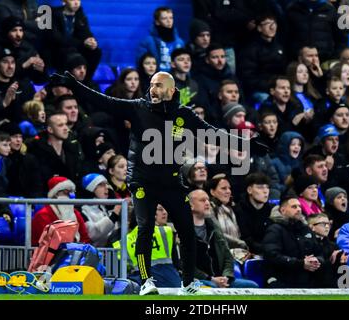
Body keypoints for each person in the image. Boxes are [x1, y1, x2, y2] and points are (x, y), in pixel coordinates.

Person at [52, 70, 258, 295]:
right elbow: (102, 100)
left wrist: (246, 145)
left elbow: (213, 133)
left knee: (188, 232)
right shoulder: (137, 108)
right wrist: (75, 85)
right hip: (142, 182)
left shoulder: (183, 115)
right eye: (151, 84)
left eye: (159, 85)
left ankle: (188, 282)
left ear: (171, 90)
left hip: (171, 182)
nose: (153, 89)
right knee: (145, 227)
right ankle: (146, 281)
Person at [190, 189, 259, 289]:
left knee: (252, 286)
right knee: (209, 287)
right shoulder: (183, 231)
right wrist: (211, 279)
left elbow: (228, 257)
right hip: (198, 280)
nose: (207, 203)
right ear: (190, 205)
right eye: (202, 200)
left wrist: (226, 277)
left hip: (221, 279)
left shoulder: (215, 227)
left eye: (208, 200)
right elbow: (185, 265)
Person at [262, 193, 324, 288]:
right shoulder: (274, 229)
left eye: (299, 206)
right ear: (283, 210)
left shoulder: (305, 229)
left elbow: (319, 252)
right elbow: (272, 256)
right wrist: (301, 263)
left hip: (306, 278)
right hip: (281, 278)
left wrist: (316, 260)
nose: (299, 209)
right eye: (294, 207)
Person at [31, 176, 90, 246]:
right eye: (66, 192)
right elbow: (47, 241)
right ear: (55, 194)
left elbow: (85, 238)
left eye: (72, 192)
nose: (71, 196)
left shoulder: (76, 213)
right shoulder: (43, 215)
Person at [234, 172, 272, 256]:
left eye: (267, 187)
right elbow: (246, 238)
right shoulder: (239, 210)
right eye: (260, 187)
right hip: (247, 253)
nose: (265, 191)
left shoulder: (271, 210)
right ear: (249, 190)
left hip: (269, 252)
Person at [307, 213, 349, 287]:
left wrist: (342, 263)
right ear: (311, 227)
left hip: (333, 286)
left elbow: (342, 275)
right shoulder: (306, 244)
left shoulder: (334, 246)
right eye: (323, 224)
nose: (327, 227)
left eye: (328, 224)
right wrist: (330, 261)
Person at [137, 7, 184, 72]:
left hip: (175, 79)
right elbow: (141, 64)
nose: (169, 21)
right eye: (164, 18)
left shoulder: (180, 42)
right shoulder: (147, 42)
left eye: (171, 18)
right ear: (157, 22)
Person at [81, 173, 120, 247]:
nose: (106, 188)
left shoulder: (103, 207)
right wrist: (114, 214)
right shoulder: (83, 210)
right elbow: (93, 234)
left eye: (106, 184)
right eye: (101, 185)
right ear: (91, 189)